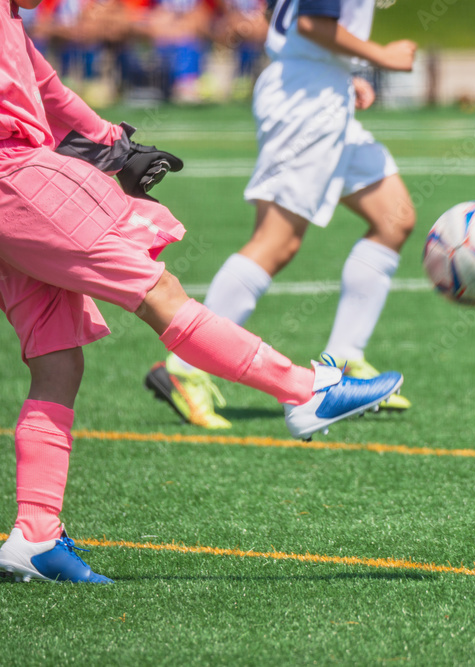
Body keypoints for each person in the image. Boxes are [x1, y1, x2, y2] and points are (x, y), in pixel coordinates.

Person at [0, 0, 402, 583]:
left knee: (56, 362)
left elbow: (51, 90)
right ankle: (305, 391)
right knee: (159, 291)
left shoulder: (3, 13)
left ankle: (35, 535)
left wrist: (113, 144)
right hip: (10, 180)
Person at [145, 0, 417, 429]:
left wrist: (337, 71)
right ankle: (185, 367)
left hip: (319, 89)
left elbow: (288, 14)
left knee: (394, 218)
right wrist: (380, 56)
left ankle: (344, 361)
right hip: (305, 104)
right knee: (276, 241)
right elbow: (309, 21)